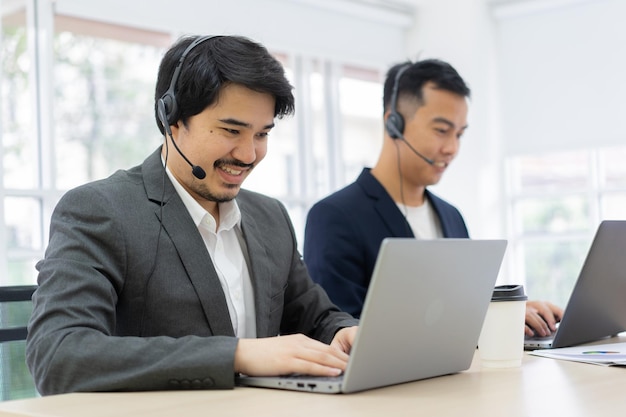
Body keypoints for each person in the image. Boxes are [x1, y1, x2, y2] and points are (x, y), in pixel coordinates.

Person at [26, 34, 358, 396]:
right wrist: (237, 355)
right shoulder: (101, 210)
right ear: (171, 118)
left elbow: (314, 315)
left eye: (262, 134)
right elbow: (58, 355)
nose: (249, 154)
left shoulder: (270, 216)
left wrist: (342, 332)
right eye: (231, 130)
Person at [303, 59, 562, 338]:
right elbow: (338, 328)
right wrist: (480, 321)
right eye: (441, 130)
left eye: (459, 134)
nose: (452, 148)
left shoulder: (451, 216)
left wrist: (505, 313)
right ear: (394, 124)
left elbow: (461, 308)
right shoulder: (335, 216)